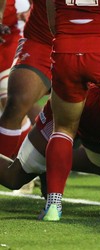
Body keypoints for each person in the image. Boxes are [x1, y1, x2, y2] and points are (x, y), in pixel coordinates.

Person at [0, 0, 52, 160]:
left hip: (11, 45)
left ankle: (23, 165)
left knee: (14, 103)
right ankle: (21, 167)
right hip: (33, 41)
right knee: (16, 104)